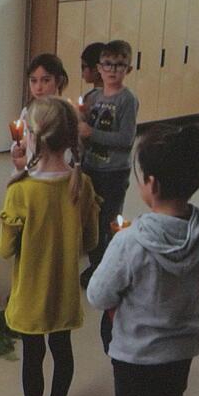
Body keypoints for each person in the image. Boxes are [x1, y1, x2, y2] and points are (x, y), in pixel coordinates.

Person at [87, 124, 199, 396]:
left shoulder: (130, 241)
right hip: (181, 351)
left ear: (152, 184)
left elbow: (98, 294)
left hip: (136, 356)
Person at [0, 97, 99, 396]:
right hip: (64, 290)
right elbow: (92, 242)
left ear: (32, 137)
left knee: (33, 355)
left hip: (30, 293)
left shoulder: (21, 191)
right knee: (62, 350)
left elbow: (4, 249)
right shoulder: (81, 183)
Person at [78, 40, 139, 288]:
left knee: (109, 222)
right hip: (90, 168)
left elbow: (126, 140)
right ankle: (96, 266)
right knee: (91, 220)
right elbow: (81, 129)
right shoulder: (92, 96)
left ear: (129, 69)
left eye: (119, 65)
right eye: (107, 64)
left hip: (113, 171)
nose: (113, 69)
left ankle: (113, 268)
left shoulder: (127, 100)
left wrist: (91, 133)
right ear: (99, 68)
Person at [11, 54, 69, 171]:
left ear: (58, 81)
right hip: (28, 171)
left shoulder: (63, 114)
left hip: (51, 174)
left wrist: (28, 163)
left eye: (46, 80)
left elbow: (65, 156)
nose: (38, 87)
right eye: (33, 81)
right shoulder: (27, 110)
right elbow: (21, 138)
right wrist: (17, 148)